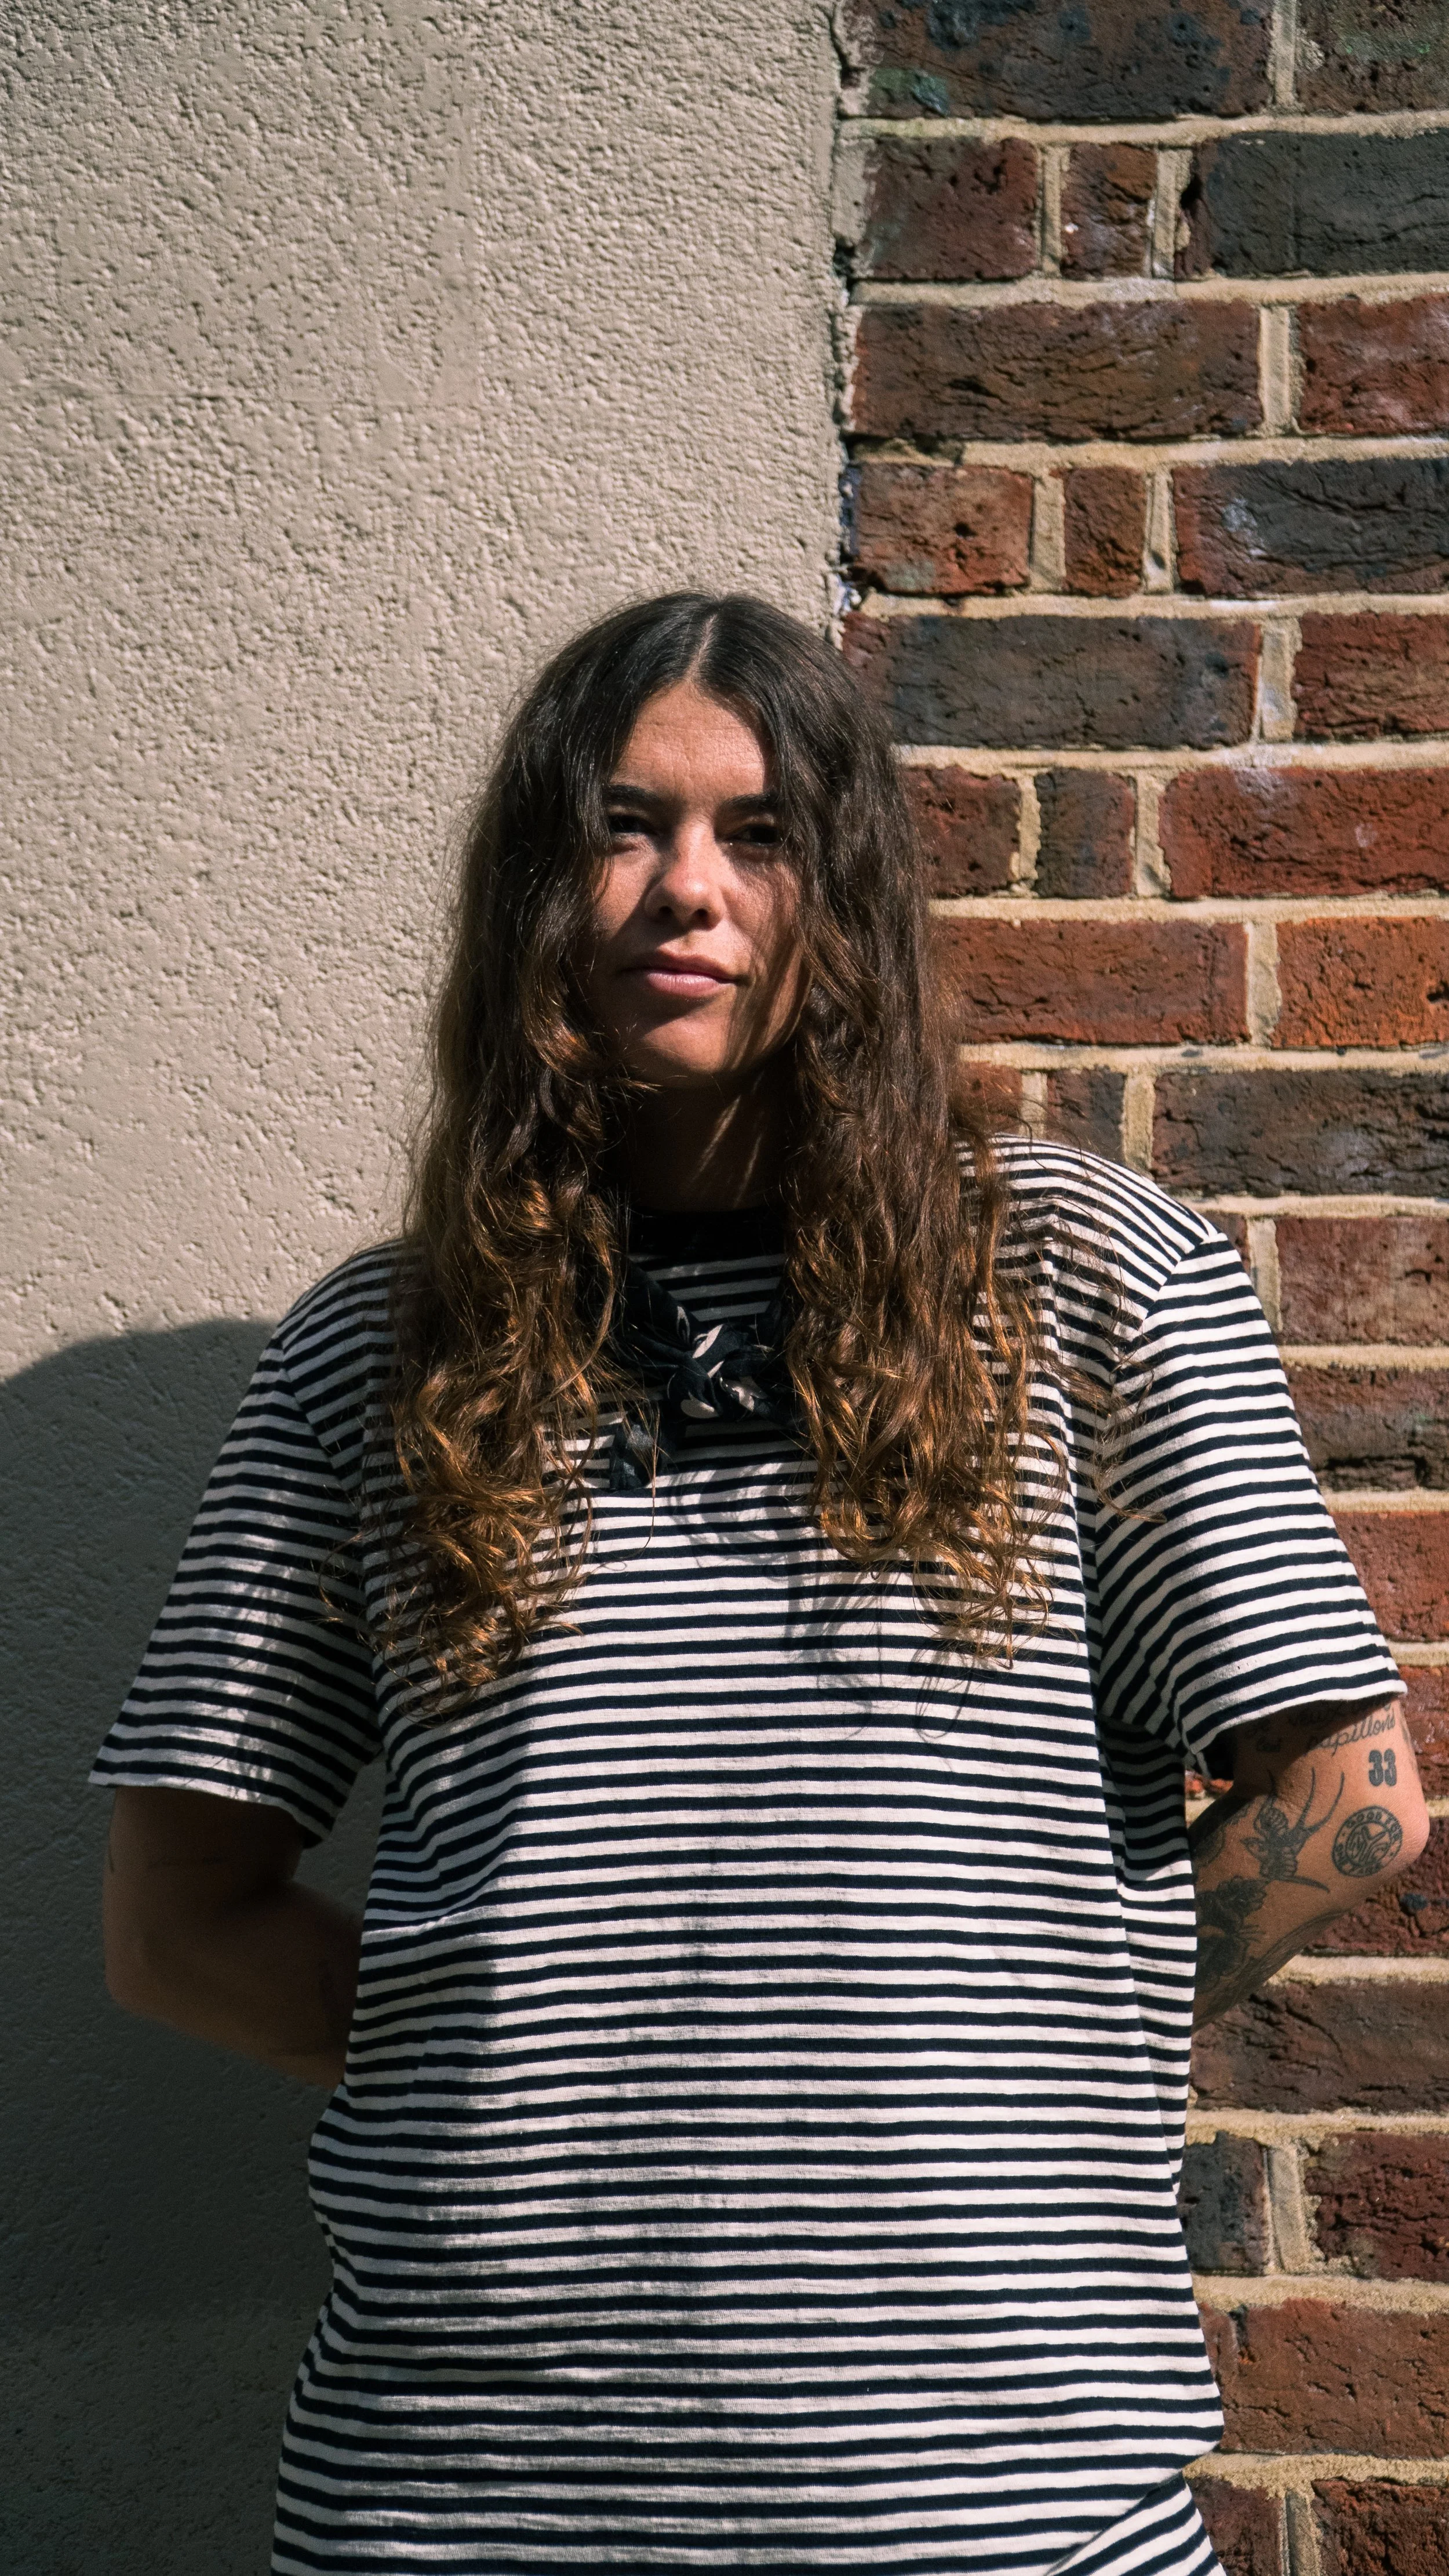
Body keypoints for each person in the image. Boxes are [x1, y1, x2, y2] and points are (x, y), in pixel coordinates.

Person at [95, 592, 1426, 2576]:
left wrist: (1006, 2054)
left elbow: (1354, 1800)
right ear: (536, 894)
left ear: (850, 897)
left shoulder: (1082, 1282)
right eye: (620, 829)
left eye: (760, 833)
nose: (681, 893)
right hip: (460, 2504)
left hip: (992, 2504)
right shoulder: (380, 1351)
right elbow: (177, 1924)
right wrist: (529, 2056)